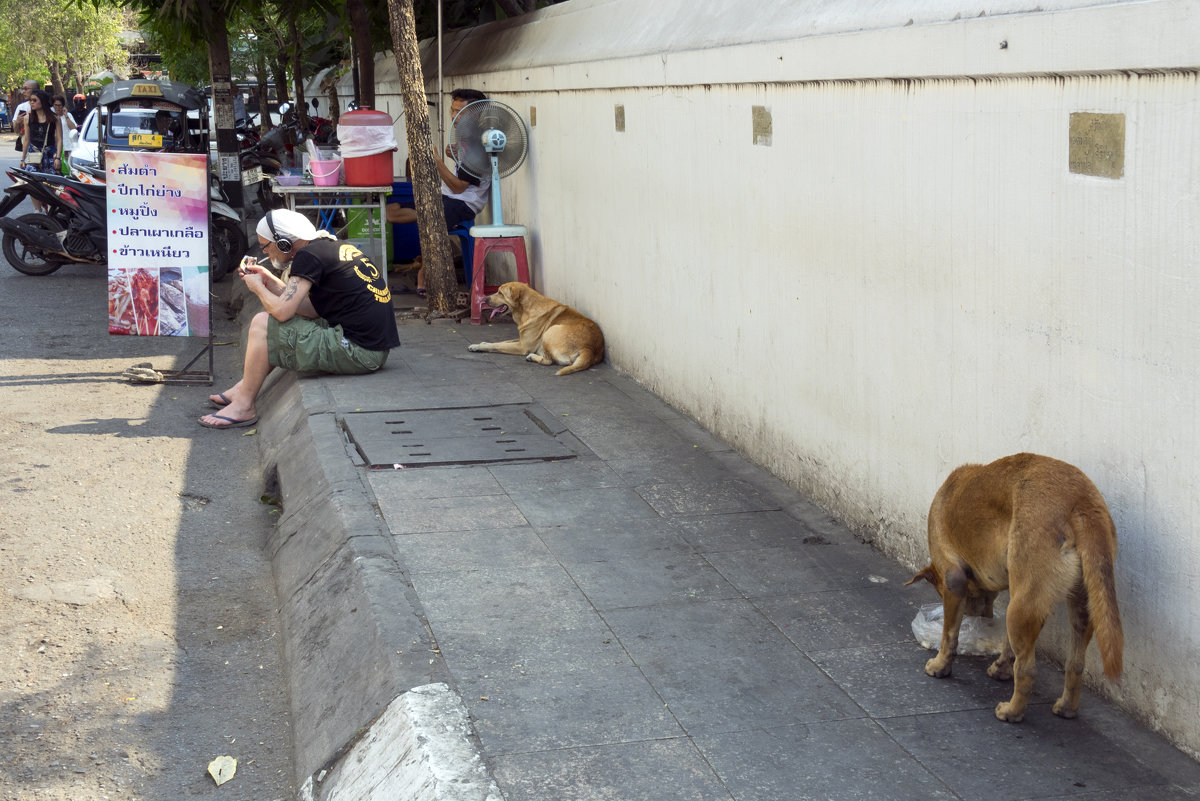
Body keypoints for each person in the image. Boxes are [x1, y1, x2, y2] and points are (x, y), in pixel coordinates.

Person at [200, 209, 401, 429]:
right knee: (279, 327)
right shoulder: (330, 247)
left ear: (284, 243)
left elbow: (282, 312)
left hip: (359, 350)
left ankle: (244, 406)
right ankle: (243, 388)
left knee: (262, 323)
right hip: (372, 347)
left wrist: (257, 288)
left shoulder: (307, 256)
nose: (267, 253)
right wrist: (268, 281)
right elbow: (311, 309)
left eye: (266, 246)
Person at [386, 88, 490, 296]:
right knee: (389, 210)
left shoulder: (479, 145)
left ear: (475, 114)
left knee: (430, 219)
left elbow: (459, 187)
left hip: (464, 204)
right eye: (453, 110)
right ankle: (427, 254)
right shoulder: (465, 137)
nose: (453, 117)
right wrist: (452, 155)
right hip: (447, 197)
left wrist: (438, 162)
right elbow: (463, 174)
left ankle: (424, 276)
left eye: (460, 112)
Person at [18, 90, 61, 212]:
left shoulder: (54, 119)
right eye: (30, 100)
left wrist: (58, 157)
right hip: (33, 153)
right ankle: (37, 211)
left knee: (51, 184)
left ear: (42, 102)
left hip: (50, 153)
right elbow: (26, 139)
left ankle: (51, 210)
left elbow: (59, 139)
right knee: (31, 182)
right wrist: (23, 158)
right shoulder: (28, 118)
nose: (31, 102)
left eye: (34, 100)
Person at [52, 94, 77, 173]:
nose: (58, 108)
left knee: (68, 168)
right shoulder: (51, 116)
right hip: (55, 146)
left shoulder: (68, 115)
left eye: (60, 105)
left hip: (67, 145)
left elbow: (73, 128)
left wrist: (66, 116)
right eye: (56, 105)